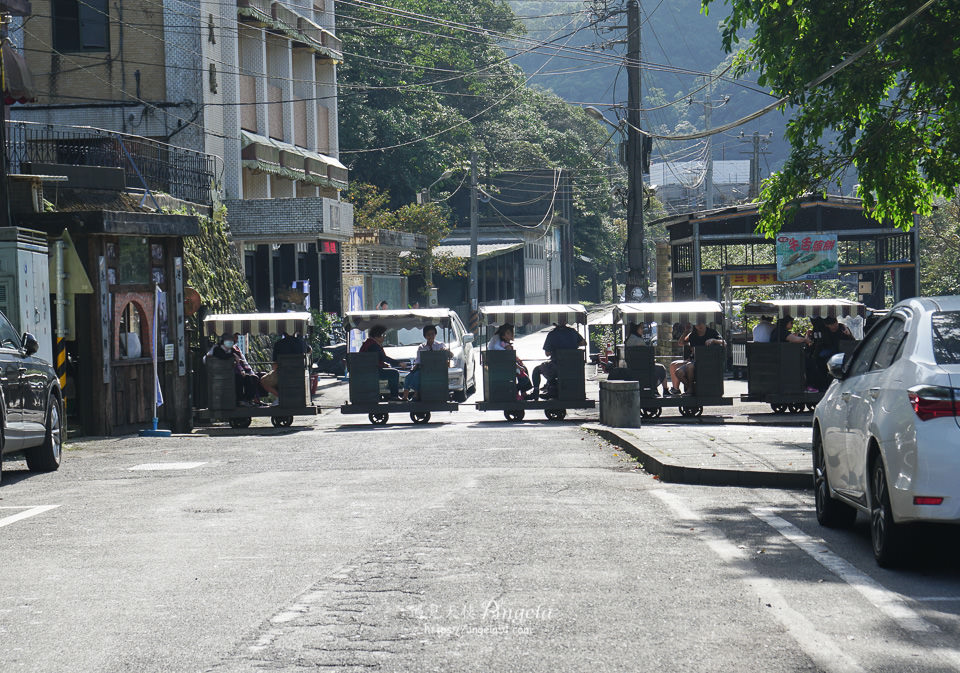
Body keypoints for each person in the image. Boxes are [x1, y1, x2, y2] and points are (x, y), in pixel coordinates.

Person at [530, 321, 586, 400]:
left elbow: (547, 353)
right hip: (573, 367)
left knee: (537, 370)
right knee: (551, 367)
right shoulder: (573, 331)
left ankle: (536, 392)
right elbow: (584, 343)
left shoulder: (552, 334)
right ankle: (552, 388)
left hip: (557, 367)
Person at [668, 320, 726, 395]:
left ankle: (690, 388)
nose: (699, 325)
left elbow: (724, 343)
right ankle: (680, 388)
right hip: (693, 360)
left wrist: (714, 340)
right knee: (674, 365)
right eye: (697, 324)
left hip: (706, 361)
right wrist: (686, 331)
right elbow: (681, 343)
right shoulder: (692, 335)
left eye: (701, 323)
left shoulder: (712, 332)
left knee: (689, 366)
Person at [401, 324, 452, 400]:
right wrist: (413, 369)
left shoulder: (440, 345)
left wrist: (445, 351)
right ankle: (405, 397)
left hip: (436, 370)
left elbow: (450, 355)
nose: (431, 336)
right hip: (424, 369)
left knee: (416, 376)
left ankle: (416, 394)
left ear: (435, 334)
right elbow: (418, 361)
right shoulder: (422, 347)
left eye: (432, 334)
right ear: (425, 336)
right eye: (428, 335)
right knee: (408, 376)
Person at [261, 331, 313, 402]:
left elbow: (275, 365)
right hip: (299, 374)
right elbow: (309, 351)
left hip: (282, 374)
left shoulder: (278, 344)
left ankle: (281, 397)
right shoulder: (302, 343)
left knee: (263, 381)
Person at [487, 324, 534, 398]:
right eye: (509, 333)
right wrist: (508, 353)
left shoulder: (504, 341)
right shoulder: (498, 338)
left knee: (524, 368)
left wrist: (516, 358)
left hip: (504, 360)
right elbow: (499, 349)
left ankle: (523, 392)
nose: (512, 334)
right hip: (498, 363)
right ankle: (517, 390)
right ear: (504, 334)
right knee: (522, 369)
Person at [359, 324, 403, 400]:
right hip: (372, 372)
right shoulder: (373, 345)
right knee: (394, 373)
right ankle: (394, 396)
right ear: (376, 336)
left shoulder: (370, 343)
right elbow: (383, 358)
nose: (384, 337)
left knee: (391, 372)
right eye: (383, 335)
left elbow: (377, 359)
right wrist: (399, 363)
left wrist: (383, 365)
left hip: (369, 370)